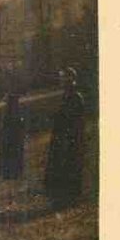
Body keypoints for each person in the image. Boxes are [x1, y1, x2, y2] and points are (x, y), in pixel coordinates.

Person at [43, 67, 86, 208]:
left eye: (64, 78)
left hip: (70, 137)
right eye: (61, 78)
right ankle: (61, 196)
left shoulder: (75, 96)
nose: (61, 81)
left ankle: (69, 197)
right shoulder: (66, 95)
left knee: (69, 164)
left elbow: (75, 120)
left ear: (71, 79)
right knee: (60, 165)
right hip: (62, 137)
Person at [0, 92, 26, 179]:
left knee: (10, 149)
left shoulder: (9, 114)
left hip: (10, 132)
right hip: (12, 132)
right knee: (12, 149)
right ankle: (11, 171)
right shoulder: (13, 113)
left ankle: (9, 171)